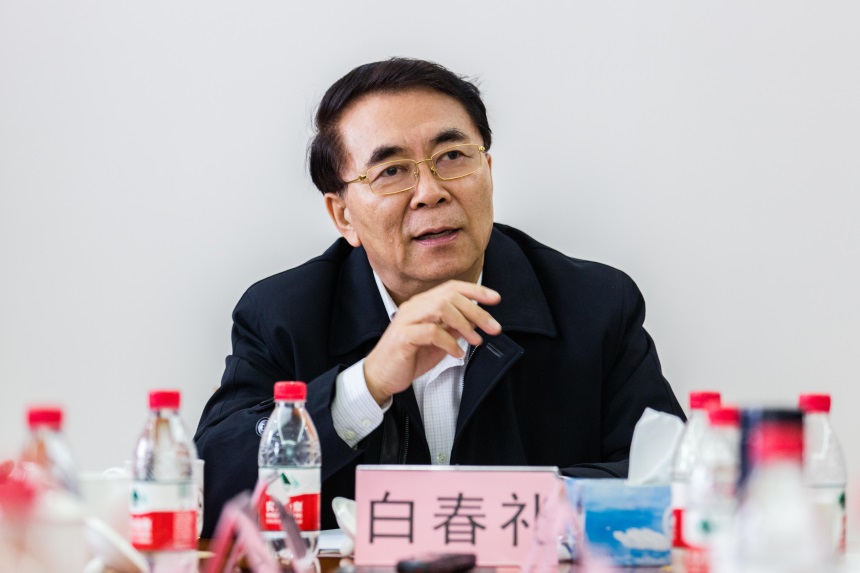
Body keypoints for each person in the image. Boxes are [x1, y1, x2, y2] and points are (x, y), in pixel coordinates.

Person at [194, 57, 685, 537]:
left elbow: (667, 480)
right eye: (391, 171)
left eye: (452, 157)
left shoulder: (595, 306)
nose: (430, 192)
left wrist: (506, 511)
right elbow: (207, 494)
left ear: (487, 170)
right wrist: (364, 387)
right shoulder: (283, 315)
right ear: (343, 215)